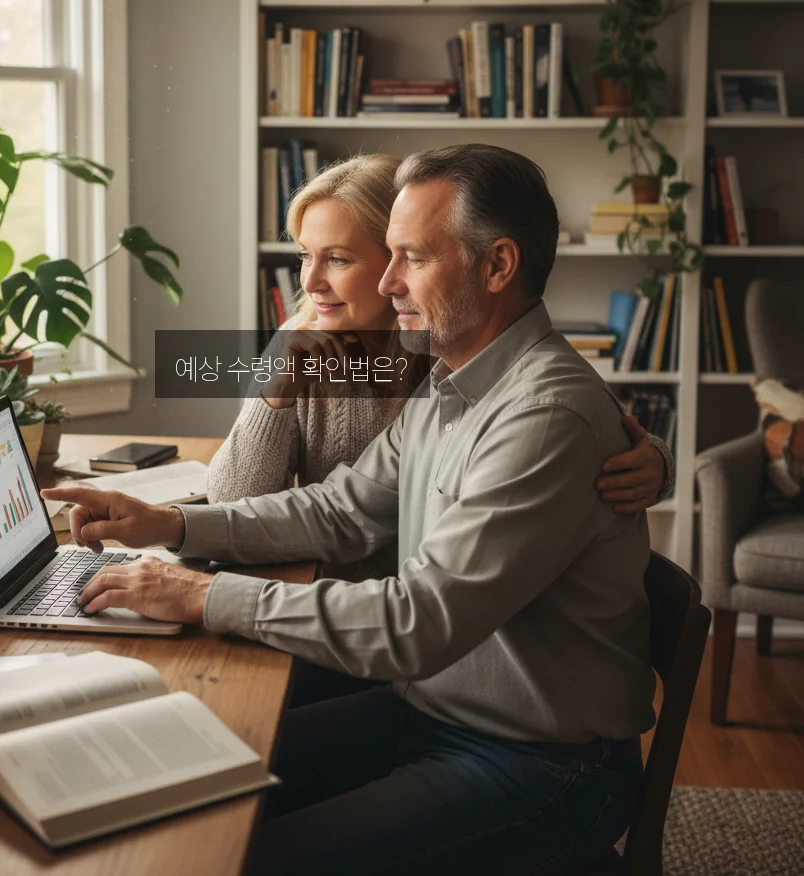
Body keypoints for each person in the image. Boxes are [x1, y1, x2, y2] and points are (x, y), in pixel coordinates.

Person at [43, 144, 660, 875]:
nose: (390, 280)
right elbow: (341, 510)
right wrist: (173, 524)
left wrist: (202, 594)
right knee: (176, 797)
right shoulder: (454, 378)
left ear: (497, 267)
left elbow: (415, 623)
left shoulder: (543, 416)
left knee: (245, 858)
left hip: (538, 767)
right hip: (429, 710)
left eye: (412, 258)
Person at [209, 152, 674, 515]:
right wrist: (274, 396)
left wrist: (656, 463)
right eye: (305, 255)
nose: (310, 282)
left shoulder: (459, 341)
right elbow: (231, 503)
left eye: (338, 259)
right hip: (328, 592)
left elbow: (562, 416)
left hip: (420, 609)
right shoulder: (298, 343)